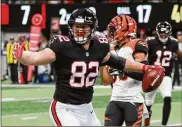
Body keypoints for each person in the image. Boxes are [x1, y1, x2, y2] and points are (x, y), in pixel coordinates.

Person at [13, 8, 162, 126]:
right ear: (71, 27)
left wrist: (144, 68)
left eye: (84, 27)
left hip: (87, 108)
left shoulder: (99, 46)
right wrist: (22, 56)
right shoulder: (62, 45)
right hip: (64, 108)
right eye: (77, 27)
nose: (80, 30)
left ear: (92, 28)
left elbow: (121, 62)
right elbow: (36, 57)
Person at [100, 15, 148, 126]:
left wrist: (122, 69)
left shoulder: (137, 44)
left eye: (113, 29)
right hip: (115, 99)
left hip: (133, 101)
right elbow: (106, 81)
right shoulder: (112, 48)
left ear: (125, 29)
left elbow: (143, 73)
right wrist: (102, 62)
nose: (110, 33)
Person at [144, 21, 182, 126]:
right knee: (148, 103)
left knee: (167, 97)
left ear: (169, 32)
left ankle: (164, 124)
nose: (163, 35)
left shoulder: (173, 43)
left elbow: (178, 54)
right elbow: (143, 56)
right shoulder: (150, 42)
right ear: (157, 32)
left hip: (166, 76)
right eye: (161, 33)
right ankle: (146, 123)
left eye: (165, 33)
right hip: (152, 75)